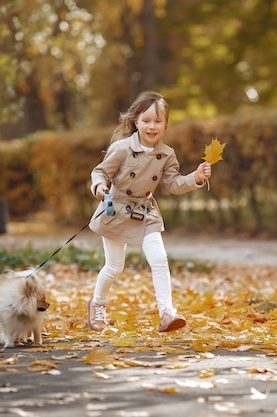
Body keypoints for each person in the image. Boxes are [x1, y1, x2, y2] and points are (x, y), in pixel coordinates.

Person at [87, 90, 212, 332]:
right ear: (136, 121)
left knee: (159, 259)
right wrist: (100, 187)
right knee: (114, 267)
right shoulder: (122, 148)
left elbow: (173, 183)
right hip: (117, 210)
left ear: (165, 125)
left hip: (145, 211)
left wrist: (195, 177)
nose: (152, 126)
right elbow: (100, 171)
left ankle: (166, 312)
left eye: (157, 121)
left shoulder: (166, 154)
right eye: (146, 121)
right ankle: (97, 304)